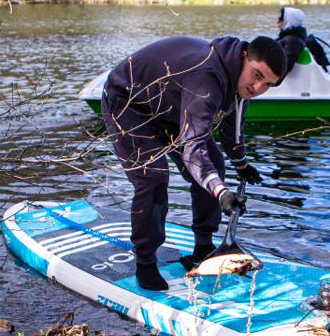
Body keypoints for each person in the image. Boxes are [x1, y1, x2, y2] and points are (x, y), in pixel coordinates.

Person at [101, 35, 287, 291]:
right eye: (257, 76)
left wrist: (241, 163)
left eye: (268, 84)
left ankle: (203, 246)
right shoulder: (207, 76)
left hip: (168, 109)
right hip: (127, 102)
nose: (257, 88)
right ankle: (145, 263)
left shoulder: (239, 81)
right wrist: (221, 193)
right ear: (245, 56)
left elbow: (232, 127)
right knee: (153, 175)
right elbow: (193, 149)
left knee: (216, 165)